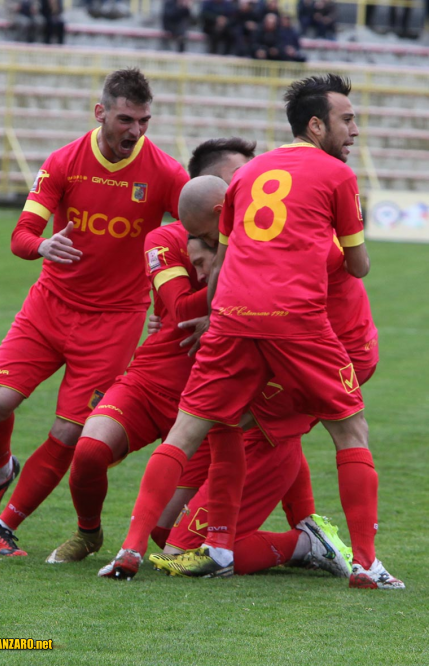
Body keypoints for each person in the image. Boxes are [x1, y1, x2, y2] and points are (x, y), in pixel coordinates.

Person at [99, 74, 404, 590]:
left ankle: (133, 549)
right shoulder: (336, 176)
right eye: (347, 119)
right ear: (316, 125)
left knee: (196, 428)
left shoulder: (247, 176)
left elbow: (222, 267)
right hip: (300, 323)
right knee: (348, 433)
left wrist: (213, 316)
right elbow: (359, 267)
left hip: (238, 318)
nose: (355, 129)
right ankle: (363, 563)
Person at [0, 68, 189, 557]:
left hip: (115, 321)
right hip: (50, 305)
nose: (135, 131)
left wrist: (168, 302)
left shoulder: (166, 172)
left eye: (144, 121)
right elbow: (21, 236)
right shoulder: (64, 161)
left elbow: (196, 235)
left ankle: (3, 528)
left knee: (69, 432)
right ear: (100, 113)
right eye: (126, 119)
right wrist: (43, 245)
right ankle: (1, 471)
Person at [45, 138, 256, 563]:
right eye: (237, 177)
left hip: (210, 396)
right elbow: (179, 310)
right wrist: (228, 300)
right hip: (153, 380)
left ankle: (304, 541)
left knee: (169, 537)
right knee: (89, 450)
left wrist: (224, 311)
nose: (246, 185)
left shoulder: (259, 240)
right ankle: (88, 532)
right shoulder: (165, 238)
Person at [149, 207, 379, 577]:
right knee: (162, 532)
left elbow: (343, 271)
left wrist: (222, 317)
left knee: (182, 549)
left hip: (325, 355)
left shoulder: (275, 238)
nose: (202, 274)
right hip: (312, 351)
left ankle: (309, 544)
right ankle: (309, 530)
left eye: (206, 246)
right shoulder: (259, 234)